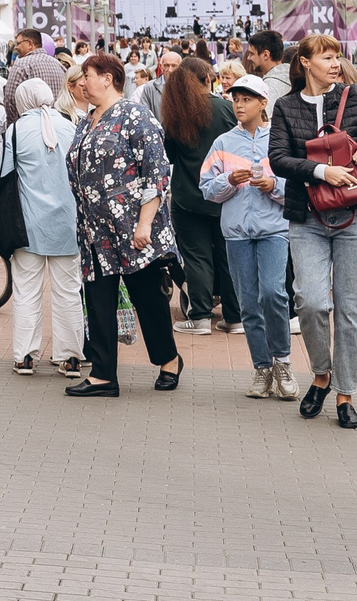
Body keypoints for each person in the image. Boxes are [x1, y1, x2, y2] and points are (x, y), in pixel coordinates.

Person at [268, 32, 357, 430]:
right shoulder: (285, 106)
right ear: (305, 64)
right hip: (307, 218)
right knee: (310, 301)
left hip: (356, 218)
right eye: (326, 57)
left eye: (337, 57)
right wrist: (319, 170)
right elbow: (278, 158)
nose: (335, 63)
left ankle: (345, 393)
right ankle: (321, 374)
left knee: (352, 309)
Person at [62, 54, 183, 398]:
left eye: (86, 76)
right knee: (98, 299)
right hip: (94, 231)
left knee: (147, 298)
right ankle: (103, 375)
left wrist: (145, 223)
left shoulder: (135, 115)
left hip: (133, 229)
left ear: (108, 78)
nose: (81, 83)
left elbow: (157, 174)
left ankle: (169, 359)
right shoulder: (86, 121)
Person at [199, 78, 292, 399]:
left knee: (273, 294)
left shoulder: (280, 140)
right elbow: (207, 189)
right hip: (236, 234)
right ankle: (261, 368)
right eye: (236, 99)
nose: (239, 105)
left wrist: (273, 186)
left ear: (263, 103)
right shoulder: (222, 143)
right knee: (248, 303)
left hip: (274, 231)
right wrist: (228, 180)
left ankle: (283, 361)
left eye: (247, 99)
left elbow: (296, 187)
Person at [0, 79, 82, 377]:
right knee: (69, 291)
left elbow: (3, 175)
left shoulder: (17, 130)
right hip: (67, 224)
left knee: (27, 291)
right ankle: (70, 357)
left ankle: (24, 356)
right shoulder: (71, 126)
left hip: (27, 225)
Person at [157, 56, 240, 336]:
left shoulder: (175, 113)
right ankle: (234, 316)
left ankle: (201, 315)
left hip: (187, 195)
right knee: (228, 256)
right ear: (208, 79)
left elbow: (168, 155)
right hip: (226, 193)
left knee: (196, 257)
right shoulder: (225, 108)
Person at [3, 27, 67, 120]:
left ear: (29, 44)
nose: (16, 47)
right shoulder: (58, 65)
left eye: (18, 43)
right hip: (58, 124)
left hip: (30, 127)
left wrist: (15, 126)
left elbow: (10, 100)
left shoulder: (21, 65)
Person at [135, 49, 182, 126]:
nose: (170, 70)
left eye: (174, 66)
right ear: (161, 67)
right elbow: (144, 115)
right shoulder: (150, 88)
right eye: (166, 65)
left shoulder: (187, 88)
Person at [242, 30, 291, 102]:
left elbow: (266, 113)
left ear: (266, 55)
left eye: (251, 54)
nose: (248, 58)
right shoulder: (294, 78)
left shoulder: (269, 87)